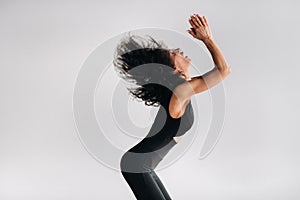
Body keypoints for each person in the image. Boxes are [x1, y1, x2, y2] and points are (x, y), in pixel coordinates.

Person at [113, 13, 231, 200]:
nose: (179, 51)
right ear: (174, 69)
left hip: (143, 166)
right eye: (174, 53)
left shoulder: (178, 90)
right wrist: (207, 39)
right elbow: (223, 71)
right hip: (137, 167)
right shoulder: (180, 91)